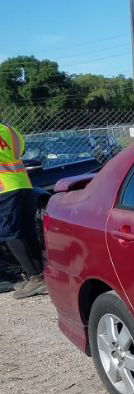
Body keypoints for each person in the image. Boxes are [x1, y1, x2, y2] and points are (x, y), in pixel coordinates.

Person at [0, 122, 46, 299]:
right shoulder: (9, 129)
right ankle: (36, 275)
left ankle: (34, 277)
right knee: (27, 232)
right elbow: (21, 150)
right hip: (23, 184)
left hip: (4, 188)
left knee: (10, 234)